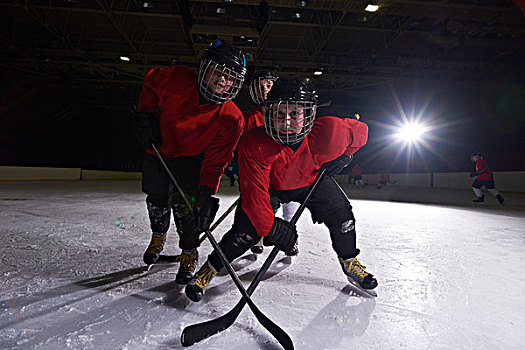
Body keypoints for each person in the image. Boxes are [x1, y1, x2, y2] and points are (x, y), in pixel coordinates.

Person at [185, 77, 378, 302]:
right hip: (271, 187)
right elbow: (254, 197)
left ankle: (349, 261)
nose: (286, 122)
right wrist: (273, 229)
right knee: (245, 232)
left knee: (342, 215)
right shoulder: (255, 143)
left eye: (294, 114)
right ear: (268, 114)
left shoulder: (330, 132)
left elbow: (361, 132)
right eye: (279, 114)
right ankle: (209, 269)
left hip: (310, 182)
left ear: (308, 115)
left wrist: (346, 156)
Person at [132, 39, 247, 285]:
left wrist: (206, 192)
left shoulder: (232, 118)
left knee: (187, 209)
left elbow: (217, 159)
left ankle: (189, 253)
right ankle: (158, 236)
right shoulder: (176, 79)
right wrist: (145, 113)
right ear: (205, 69)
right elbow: (151, 82)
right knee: (157, 199)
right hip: (158, 152)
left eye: (229, 78)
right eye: (218, 72)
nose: (222, 81)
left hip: (192, 161)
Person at [244, 70, 300, 256]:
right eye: (260, 87)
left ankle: (291, 236)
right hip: (266, 171)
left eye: (268, 86)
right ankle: (259, 236)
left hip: (287, 169)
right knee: (264, 205)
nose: (264, 90)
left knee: (289, 204)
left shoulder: (288, 112)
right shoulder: (254, 117)